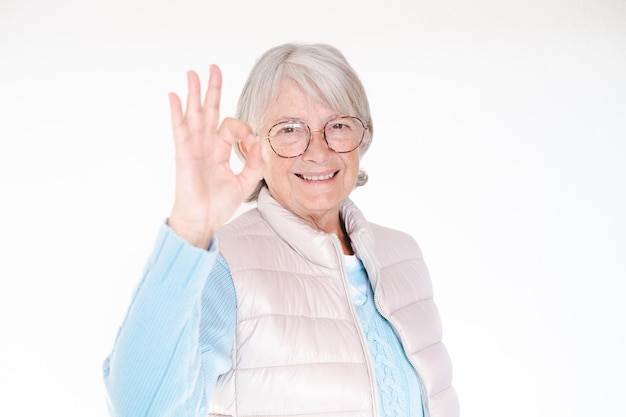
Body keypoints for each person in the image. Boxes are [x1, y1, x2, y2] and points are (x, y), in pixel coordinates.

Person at [103, 43, 459, 417]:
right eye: (289, 129)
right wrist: (189, 229)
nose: (318, 152)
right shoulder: (225, 265)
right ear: (251, 146)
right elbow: (140, 408)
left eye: (337, 126)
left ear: (363, 136)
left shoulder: (402, 254)